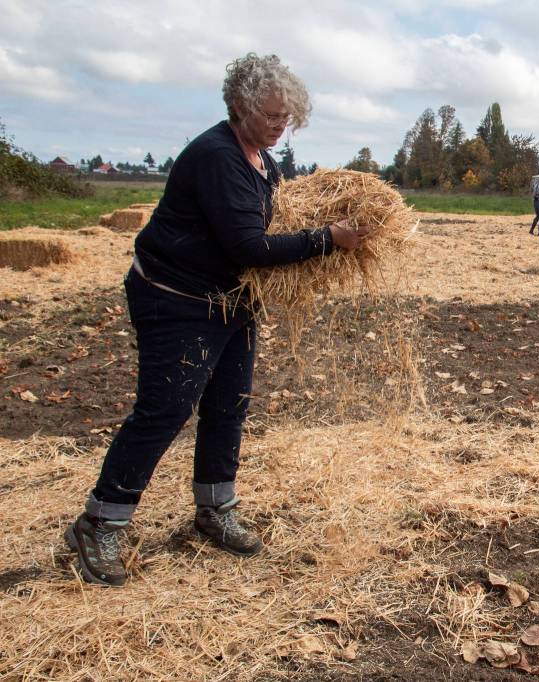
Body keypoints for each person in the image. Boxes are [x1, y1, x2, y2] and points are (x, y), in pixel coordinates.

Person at [63, 53, 370, 587]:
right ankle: (100, 521)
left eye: (287, 118)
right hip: (176, 296)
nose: (281, 127)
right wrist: (328, 240)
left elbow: (267, 223)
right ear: (239, 106)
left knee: (228, 405)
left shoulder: (261, 160)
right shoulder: (216, 157)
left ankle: (214, 509)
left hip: (231, 299)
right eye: (272, 116)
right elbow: (247, 244)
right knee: (165, 408)